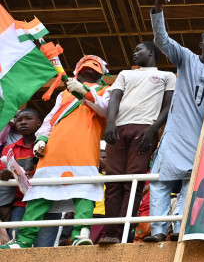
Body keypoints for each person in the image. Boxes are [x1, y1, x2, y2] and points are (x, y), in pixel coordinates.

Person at [147, 0, 204, 243]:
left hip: (201, 138)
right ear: (200, 44)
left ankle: (177, 229)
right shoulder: (185, 58)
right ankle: (157, 231)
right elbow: (161, 40)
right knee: (160, 183)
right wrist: (158, 4)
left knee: (189, 184)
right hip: (175, 134)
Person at [1, 56, 111, 249]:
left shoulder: (105, 91)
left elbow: (106, 110)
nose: (88, 69)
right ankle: (24, 240)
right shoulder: (63, 95)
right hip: (53, 153)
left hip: (83, 152)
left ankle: (80, 235)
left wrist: (84, 92)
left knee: (84, 193)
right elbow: (49, 120)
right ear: (77, 71)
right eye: (85, 67)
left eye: (94, 67)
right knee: (39, 195)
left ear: (101, 73)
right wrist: (42, 139)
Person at [100, 41, 175, 245]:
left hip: (145, 129)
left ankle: (124, 232)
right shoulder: (125, 73)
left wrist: (153, 129)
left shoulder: (167, 76)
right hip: (117, 128)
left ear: (151, 52)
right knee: (113, 181)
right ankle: (110, 233)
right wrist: (110, 122)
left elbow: (168, 106)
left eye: (138, 50)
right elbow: (115, 98)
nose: (134, 53)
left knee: (133, 181)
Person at [0, 109, 61, 247]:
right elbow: (1, 172)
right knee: (15, 245)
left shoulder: (52, 144)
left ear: (39, 123)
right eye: (19, 120)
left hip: (50, 203)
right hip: (22, 204)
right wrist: (5, 174)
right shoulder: (10, 148)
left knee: (43, 248)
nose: (23, 122)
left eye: (28, 119)